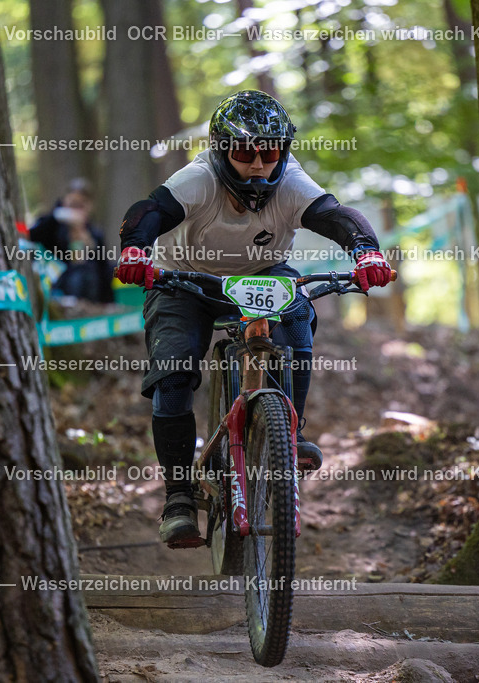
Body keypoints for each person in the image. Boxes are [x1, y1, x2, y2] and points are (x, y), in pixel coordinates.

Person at [115, 90, 393, 545]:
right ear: (224, 150)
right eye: (246, 152)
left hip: (261, 275)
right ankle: (179, 496)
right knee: (174, 371)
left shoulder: (292, 183)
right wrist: (135, 250)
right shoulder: (199, 178)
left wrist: (366, 253)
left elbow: (334, 215)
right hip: (187, 281)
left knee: (299, 312)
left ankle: (289, 432)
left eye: (271, 151)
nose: (259, 164)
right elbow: (149, 211)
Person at [29, 178, 114, 303]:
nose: (77, 211)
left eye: (82, 205)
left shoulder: (95, 233)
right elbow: (32, 235)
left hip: (92, 299)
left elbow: (105, 271)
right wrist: (58, 213)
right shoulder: (53, 227)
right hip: (58, 293)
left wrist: (92, 249)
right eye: (74, 205)